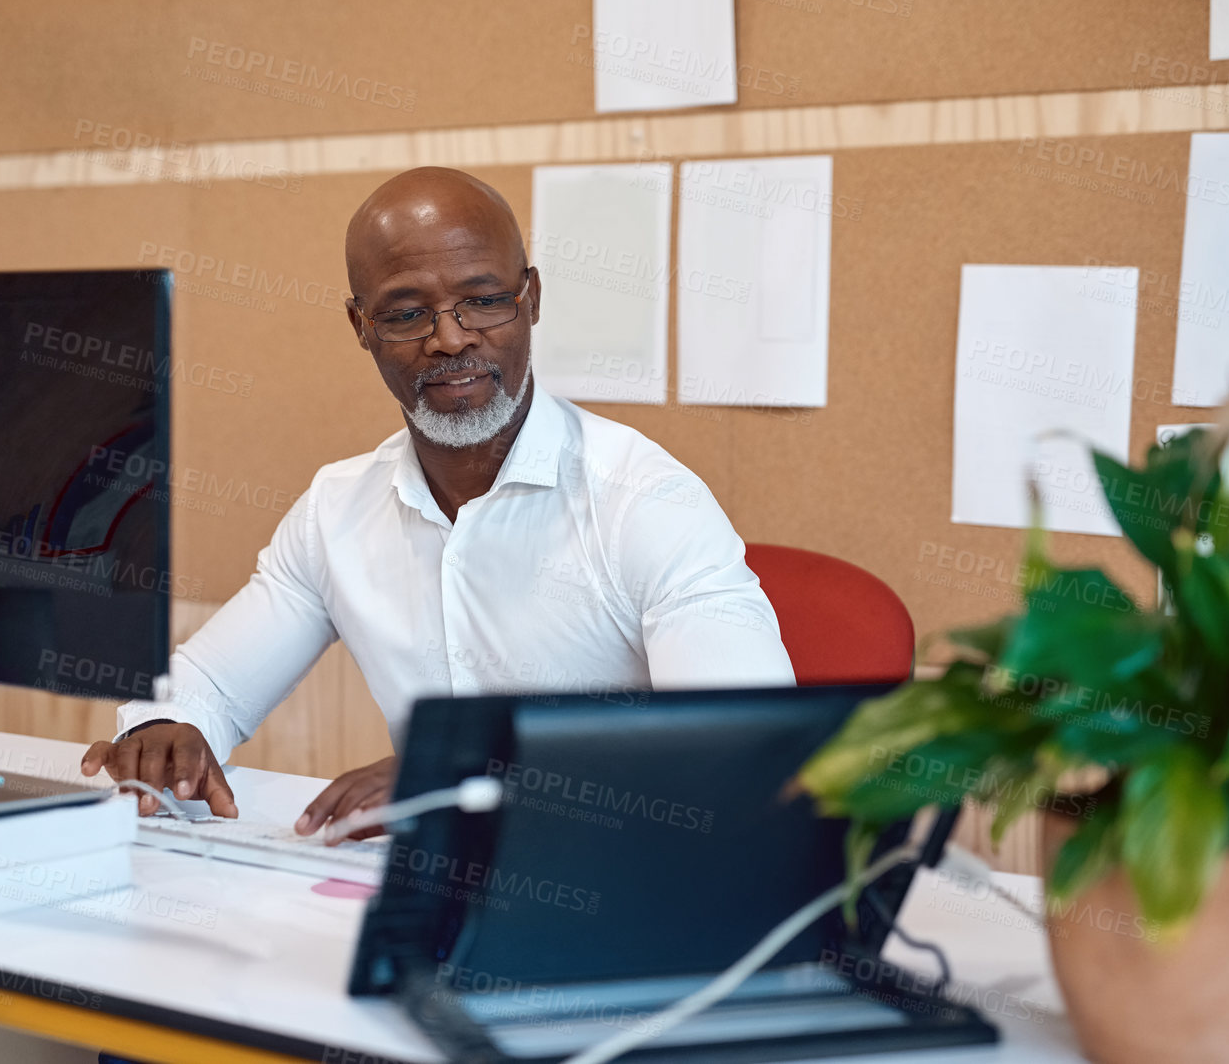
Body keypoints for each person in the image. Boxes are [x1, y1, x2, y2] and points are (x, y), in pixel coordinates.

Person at [81, 167, 793, 839]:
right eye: (406, 313)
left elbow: (744, 748)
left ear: (532, 300)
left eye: (483, 300)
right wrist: (162, 727)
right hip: (429, 887)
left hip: (619, 884)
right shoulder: (336, 509)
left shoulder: (645, 499)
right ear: (361, 327)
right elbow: (207, 684)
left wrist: (468, 772)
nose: (450, 338)